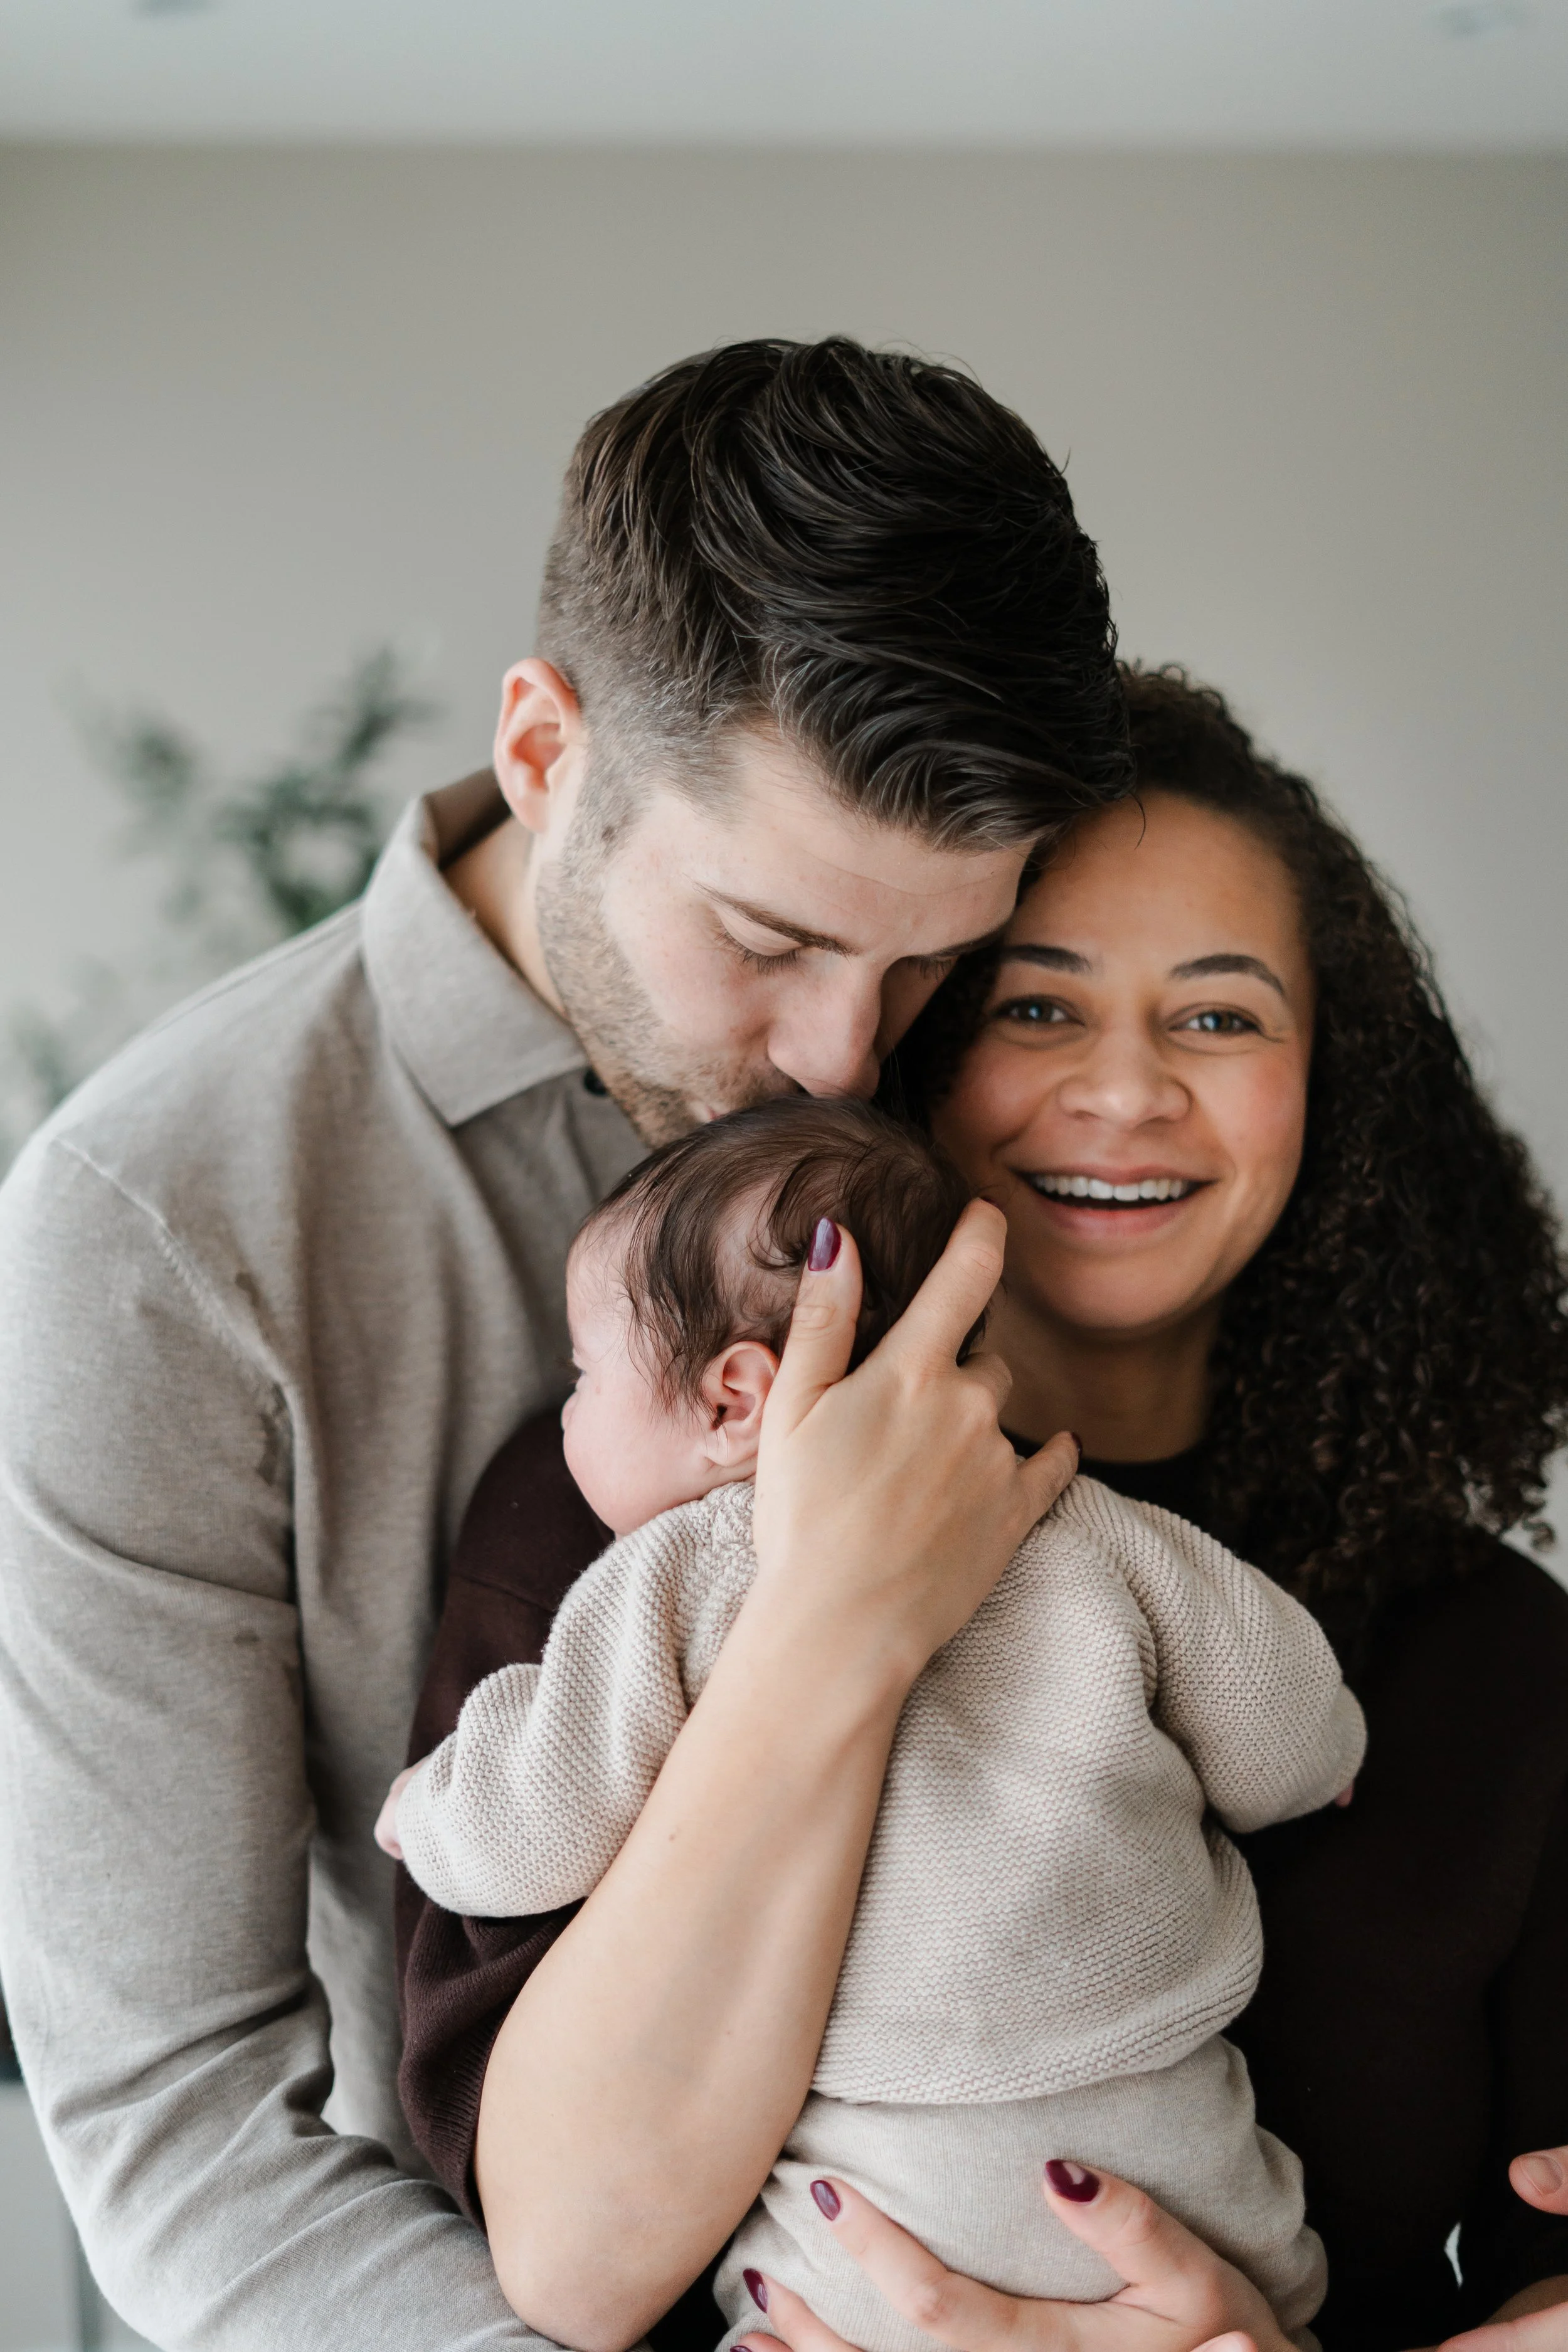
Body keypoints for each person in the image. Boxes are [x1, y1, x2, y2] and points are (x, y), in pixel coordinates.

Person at [0, 336, 1125, 2352]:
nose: (852, 1058)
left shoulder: (1014, 1054)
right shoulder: (153, 1236)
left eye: (929, 954)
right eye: (769, 941)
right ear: (543, 748)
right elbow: (170, 2115)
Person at [394, 669, 1568, 2352]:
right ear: (912, 1061)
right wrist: (829, 1614)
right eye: (1033, 1008)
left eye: (1219, 1015)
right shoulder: (622, 1504)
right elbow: (574, 2260)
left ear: (1331, 1086)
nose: (1124, 1087)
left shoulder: (1488, 1651)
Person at [385, 1095, 1362, 2351]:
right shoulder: (1083, 1523)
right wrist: (1327, 1758)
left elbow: (533, 1832)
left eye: (582, 1377)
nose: (566, 1417)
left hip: (882, 2213)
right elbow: (1282, 1720)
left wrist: (429, 1811)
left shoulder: (669, 1577)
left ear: (733, 1397)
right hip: (1185, 2193)